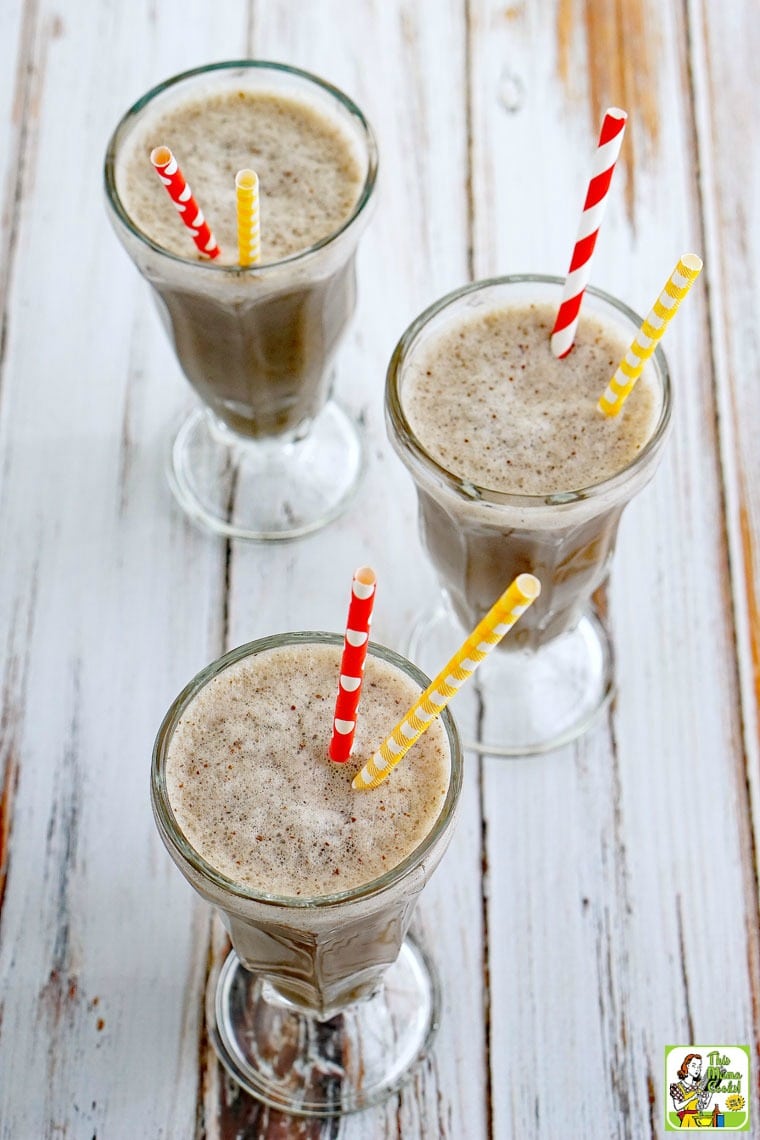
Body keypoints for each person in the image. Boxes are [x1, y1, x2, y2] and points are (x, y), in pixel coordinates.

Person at [669, 1054, 712, 1127]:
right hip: (687, 1120)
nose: (697, 1069)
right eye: (694, 1066)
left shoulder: (699, 1086)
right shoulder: (677, 1087)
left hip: (698, 1120)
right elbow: (677, 1107)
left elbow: (704, 1106)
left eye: (699, 1066)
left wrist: (710, 1093)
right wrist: (692, 1098)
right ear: (687, 1066)